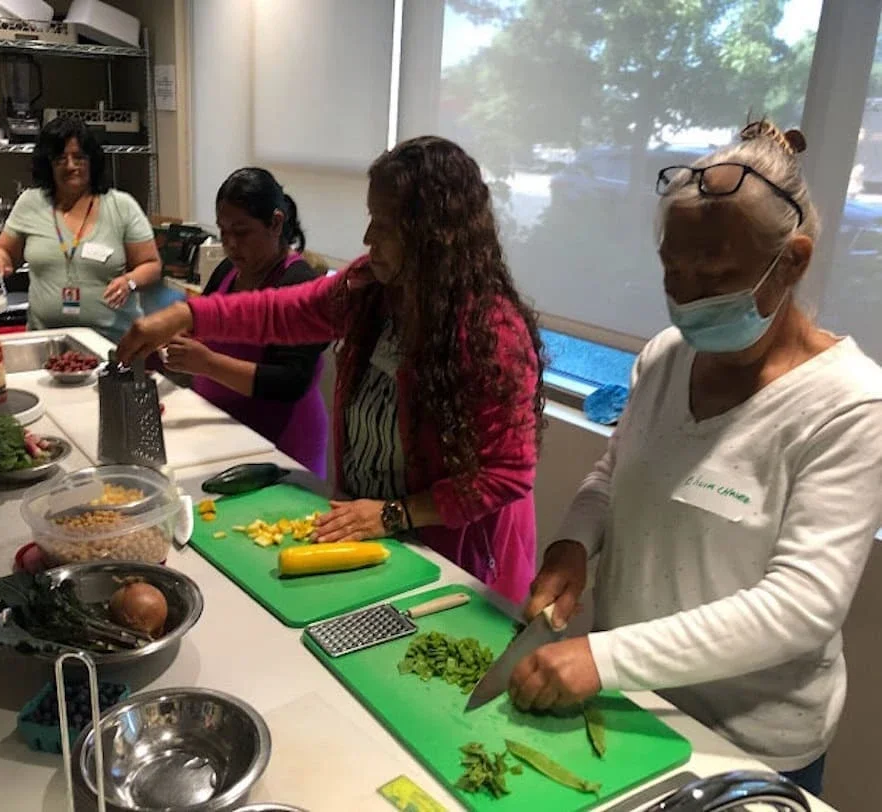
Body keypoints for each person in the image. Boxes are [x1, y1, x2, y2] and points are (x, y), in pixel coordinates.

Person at [507, 121, 882, 797]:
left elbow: (802, 605)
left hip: (747, 742)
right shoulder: (665, 356)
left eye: (713, 276)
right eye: (672, 272)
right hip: (635, 703)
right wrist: (571, 546)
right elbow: (611, 476)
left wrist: (605, 655)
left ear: (792, 261)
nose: (686, 298)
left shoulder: (849, 405)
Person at [119, 136, 545, 602]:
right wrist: (188, 314)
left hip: (453, 560)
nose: (367, 238)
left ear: (430, 236)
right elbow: (284, 311)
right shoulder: (372, 287)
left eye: (382, 225)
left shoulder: (493, 334)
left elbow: (504, 476)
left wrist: (393, 514)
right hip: (370, 526)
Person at [162, 168, 329, 476]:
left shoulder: (298, 283)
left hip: (280, 445)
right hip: (223, 431)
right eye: (223, 231)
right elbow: (201, 325)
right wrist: (177, 340)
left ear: (275, 223)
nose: (230, 244)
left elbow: (289, 381)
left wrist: (207, 363)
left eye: (241, 232)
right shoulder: (228, 269)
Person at [0, 116, 161, 344]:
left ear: (92, 161)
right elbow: (2, 249)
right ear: (48, 163)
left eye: (79, 157)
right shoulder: (30, 203)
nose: (70, 166)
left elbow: (151, 265)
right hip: (45, 341)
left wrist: (129, 282)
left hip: (113, 343)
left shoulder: (121, 206)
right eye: (60, 158)